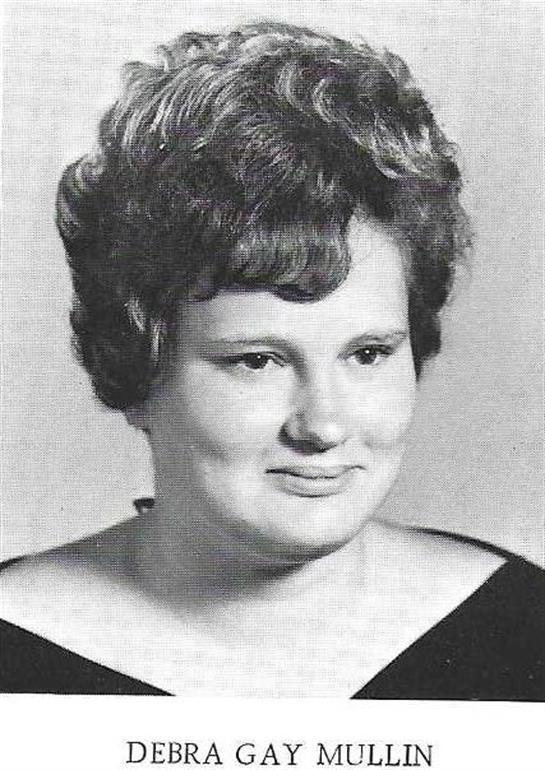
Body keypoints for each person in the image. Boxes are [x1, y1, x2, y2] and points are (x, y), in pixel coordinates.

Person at [0, 21, 543, 699]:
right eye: (256, 361)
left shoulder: (522, 628)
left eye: (368, 354)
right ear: (136, 372)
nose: (322, 426)